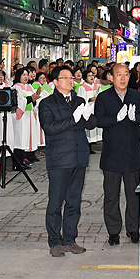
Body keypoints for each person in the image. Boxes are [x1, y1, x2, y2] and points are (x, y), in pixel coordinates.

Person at [39, 65, 95, 256]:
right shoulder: (47, 104)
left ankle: (70, 239)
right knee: (56, 202)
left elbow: (90, 123)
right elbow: (49, 127)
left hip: (78, 157)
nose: (70, 81)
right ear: (54, 82)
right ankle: (55, 242)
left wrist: (88, 117)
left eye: (71, 78)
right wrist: (73, 118)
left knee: (74, 202)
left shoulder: (79, 100)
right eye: (65, 78)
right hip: (59, 159)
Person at [95, 63, 140, 245]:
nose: (123, 78)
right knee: (111, 196)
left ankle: (133, 229)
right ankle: (113, 231)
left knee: (133, 195)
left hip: (132, 153)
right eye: (119, 74)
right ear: (111, 77)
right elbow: (99, 120)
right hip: (111, 155)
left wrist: (135, 118)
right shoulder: (103, 97)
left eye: (126, 74)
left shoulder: (136, 95)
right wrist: (115, 119)